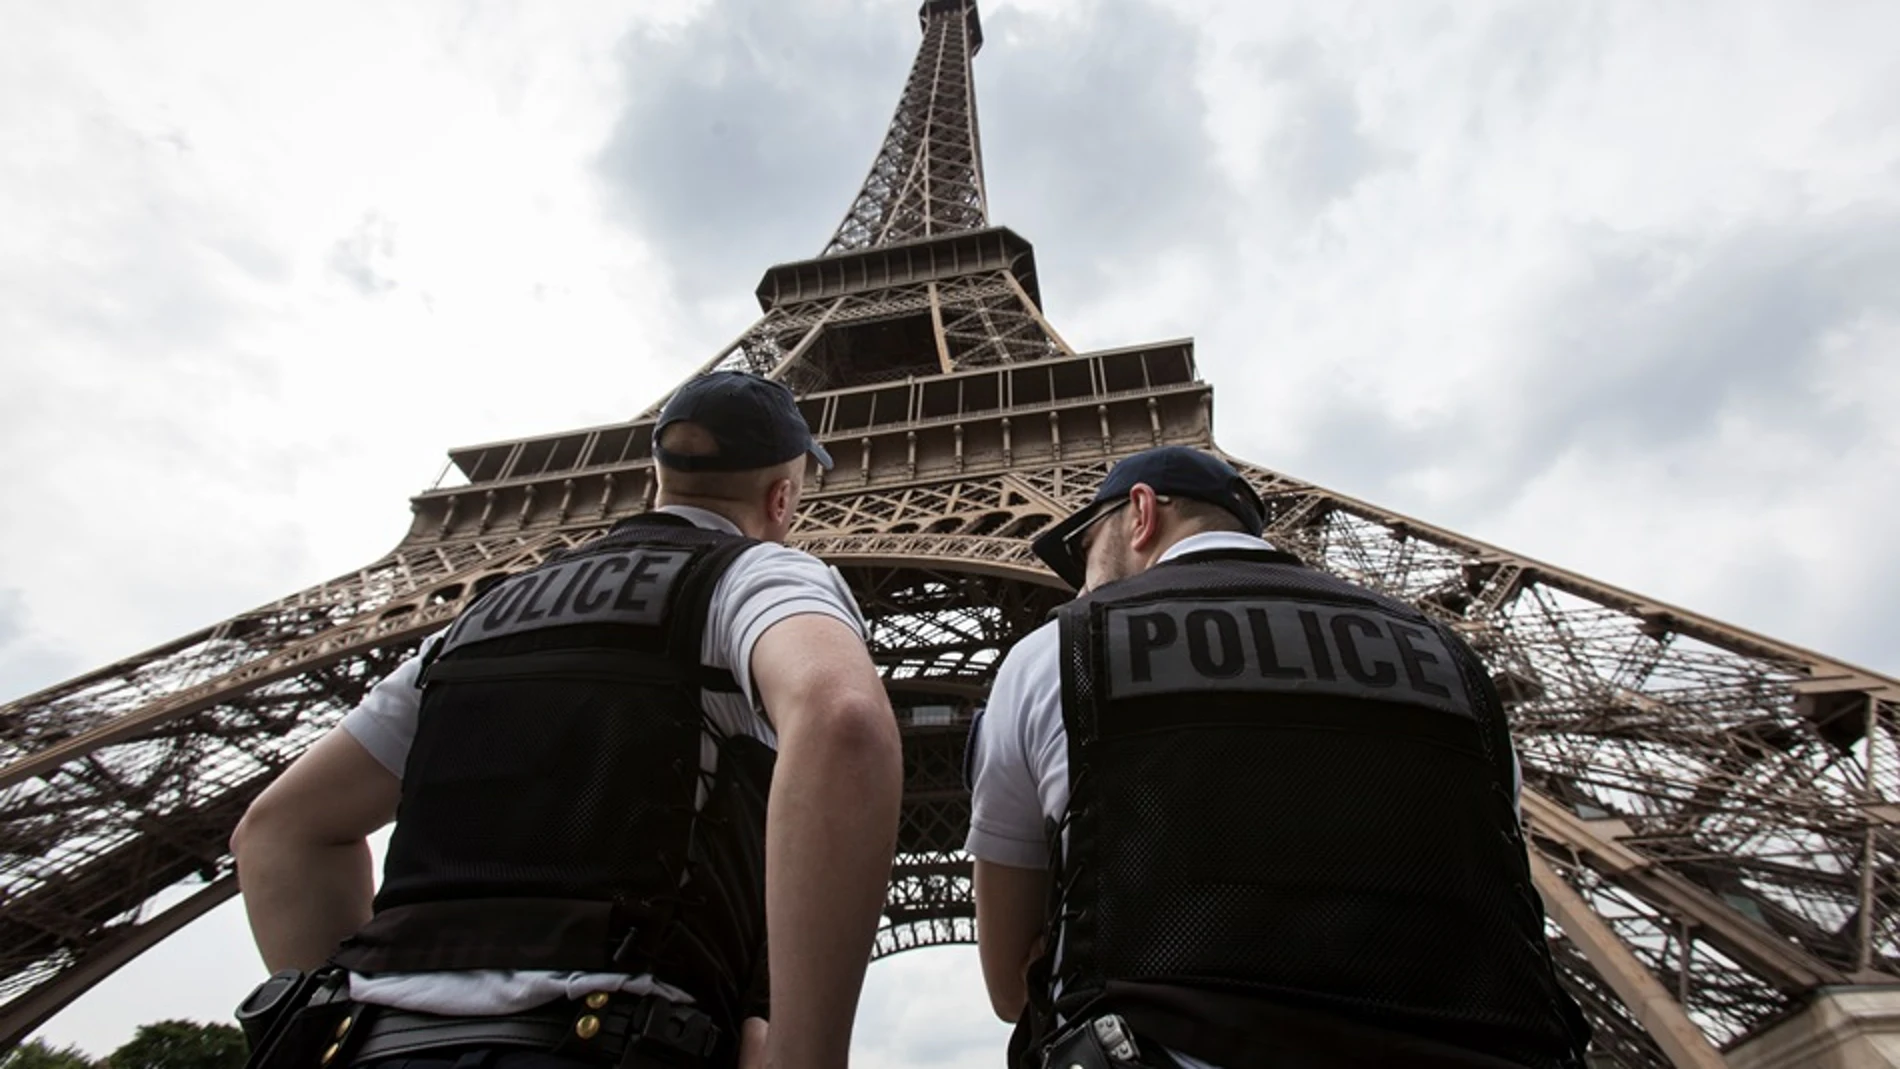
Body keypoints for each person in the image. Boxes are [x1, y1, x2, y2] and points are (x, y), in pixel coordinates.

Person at [231, 371, 904, 1069]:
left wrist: (357, 1016)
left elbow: (278, 830)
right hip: (607, 1037)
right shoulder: (755, 573)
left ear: (656, 480)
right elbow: (844, 719)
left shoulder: (478, 619)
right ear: (781, 498)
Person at [965, 446, 1590, 1069]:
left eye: (1085, 549)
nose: (1081, 581)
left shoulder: (1057, 654)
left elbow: (1012, 985)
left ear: (1141, 513)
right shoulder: (1453, 663)